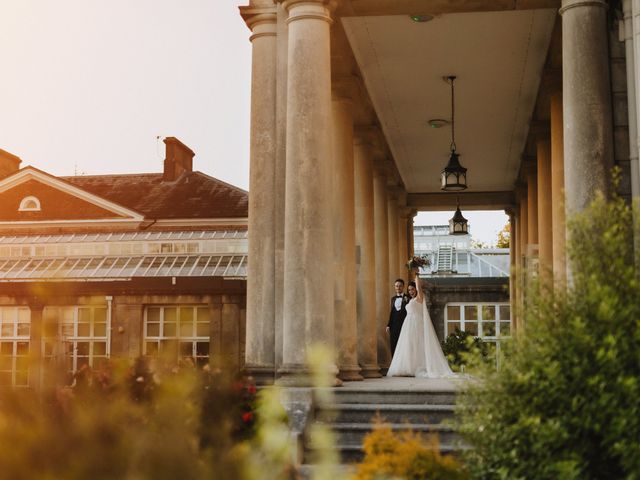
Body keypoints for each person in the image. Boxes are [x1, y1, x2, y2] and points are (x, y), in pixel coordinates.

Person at [386, 271, 453, 378]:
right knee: (408, 346)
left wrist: (416, 274)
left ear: (416, 290)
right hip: (407, 325)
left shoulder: (419, 298)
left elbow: (419, 288)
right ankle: (408, 367)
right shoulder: (410, 299)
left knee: (418, 345)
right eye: (409, 290)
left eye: (412, 289)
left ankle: (419, 366)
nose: (411, 291)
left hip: (416, 323)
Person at [386, 278, 410, 357]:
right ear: (394, 287)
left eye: (400, 286)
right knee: (393, 344)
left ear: (403, 287)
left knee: (403, 344)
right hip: (394, 326)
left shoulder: (408, 298)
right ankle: (394, 364)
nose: (398, 288)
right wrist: (388, 325)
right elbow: (392, 313)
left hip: (404, 325)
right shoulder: (393, 299)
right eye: (396, 286)